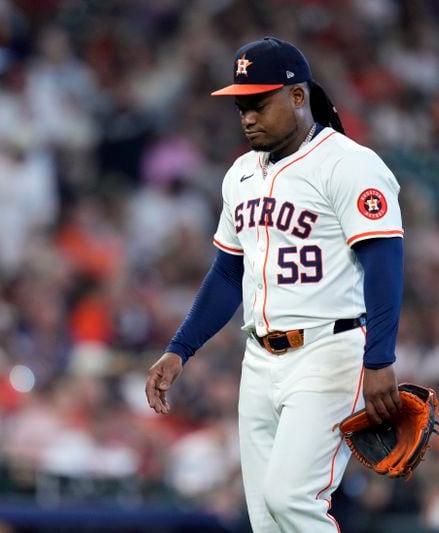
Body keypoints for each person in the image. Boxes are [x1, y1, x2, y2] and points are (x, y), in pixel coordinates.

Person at [144, 36, 406, 532]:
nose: (247, 116)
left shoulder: (348, 163)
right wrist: (180, 349)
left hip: (329, 351)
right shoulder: (240, 173)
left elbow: (385, 261)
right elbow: (227, 272)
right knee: (267, 520)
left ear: (298, 97)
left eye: (259, 103)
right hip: (260, 361)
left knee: (290, 499)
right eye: (241, 105)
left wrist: (380, 359)